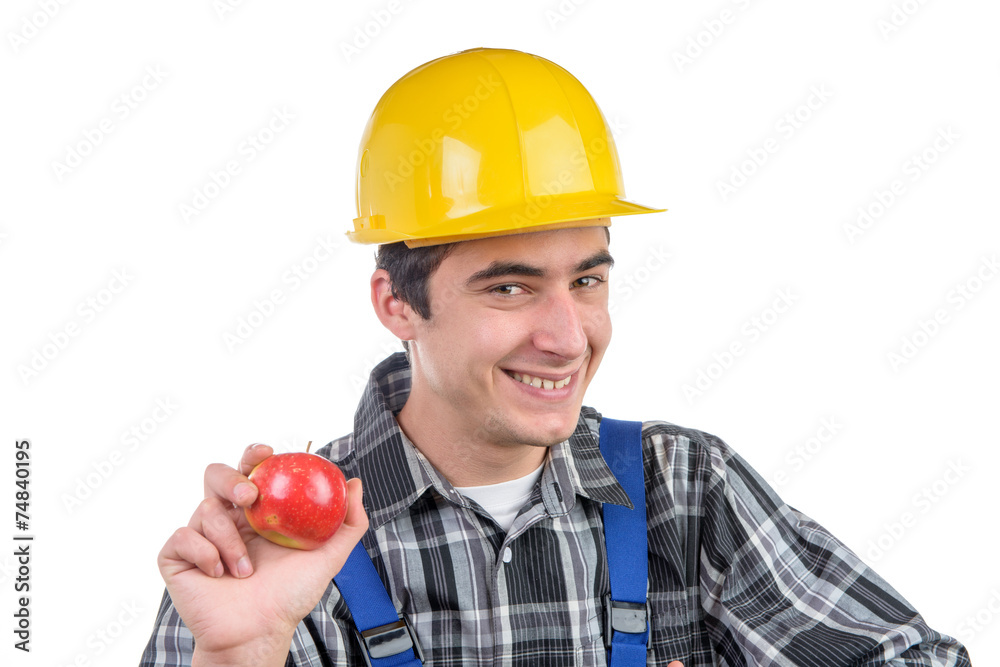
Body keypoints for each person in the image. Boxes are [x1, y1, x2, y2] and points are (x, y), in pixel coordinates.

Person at [140, 48, 971, 666]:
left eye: (586, 280)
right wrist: (240, 654)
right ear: (397, 303)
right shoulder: (278, 553)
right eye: (509, 288)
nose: (569, 336)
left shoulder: (685, 492)